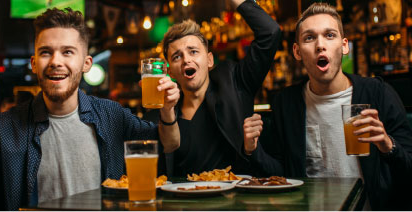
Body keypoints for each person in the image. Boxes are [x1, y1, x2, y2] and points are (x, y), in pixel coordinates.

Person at [0, 8, 180, 210]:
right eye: (46, 52)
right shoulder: (3, 128)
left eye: (67, 52)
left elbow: (168, 143)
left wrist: (167, 109)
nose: (56, 61)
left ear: (86, 63)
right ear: (34, 63)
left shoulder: (112, 115)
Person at [260, 3, 412, 210]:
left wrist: (388, 146)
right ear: (296, 51)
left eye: (329, 35)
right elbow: (279, 174)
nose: (320, 45)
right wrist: (252, 150)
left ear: (344, 45)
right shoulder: (286, 103)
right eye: (309, 37)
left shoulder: (378, 94)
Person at [161, 0, 281, 177]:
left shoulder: (235, 82)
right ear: (170, 70)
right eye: (177, 56)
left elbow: (270, 33)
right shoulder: (167, 111)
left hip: (235, 199)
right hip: (186, 201)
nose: (186, 59)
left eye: (193, 51)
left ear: (209, 60)